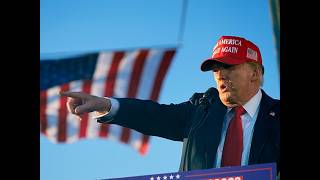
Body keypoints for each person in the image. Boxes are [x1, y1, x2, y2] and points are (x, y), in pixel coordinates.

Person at [60, 35, 280, 174]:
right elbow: (154, 115)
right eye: (215, 69)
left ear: (254, 73)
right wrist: (105, 104)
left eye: (229, 67)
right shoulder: (202, 108)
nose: (220, 75)